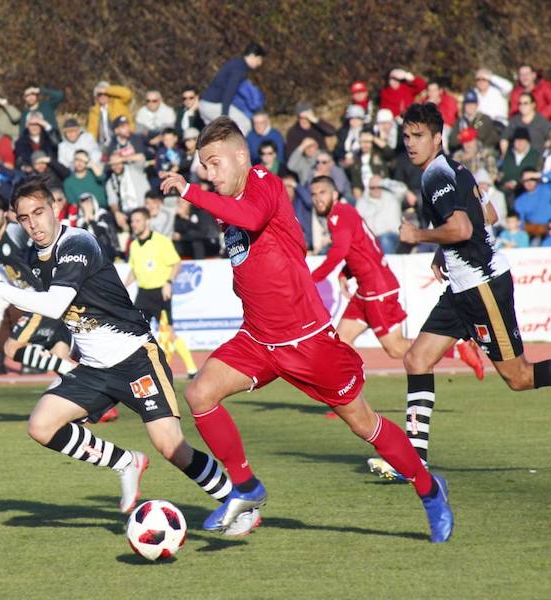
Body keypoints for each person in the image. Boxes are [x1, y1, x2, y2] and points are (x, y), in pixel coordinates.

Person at [159, 116, 453, 543]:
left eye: (215, 163)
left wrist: (191, 191)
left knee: (363, 424)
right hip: (259, 338)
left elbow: (255, 216)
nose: (208, 173)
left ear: (242, 157)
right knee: (200, 393)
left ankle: (429, 492)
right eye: (203, 166)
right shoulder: (228, 199)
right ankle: (245, 486)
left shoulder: (264, 183)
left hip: (307, 342)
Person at [0, 179, 259, 536]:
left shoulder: (77, 243)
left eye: (40, 213)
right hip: (94, 367)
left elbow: (57, 304)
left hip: (135, 356)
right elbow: (48, 304)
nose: (34, 224)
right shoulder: (33, 256)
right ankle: (126, 463)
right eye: (25, 218)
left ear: (56, 208)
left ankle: (237, 501)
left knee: (171, 446)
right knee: (41, 426)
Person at [373, 103, 550, 481]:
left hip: (483, 286)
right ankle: (413, 461)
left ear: (438, 138)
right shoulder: (456, 169)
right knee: (416, 359)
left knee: (519, 378)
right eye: (406, 136)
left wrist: (420, 236)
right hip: (462, 287)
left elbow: (464, 229)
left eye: (418, 136)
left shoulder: (436, 177)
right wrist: (444, 249)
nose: (410, 143)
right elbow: (488, 216)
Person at [309, 175, 483, 378]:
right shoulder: (343, 213)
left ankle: (458, 349)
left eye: (322, 192)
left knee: (396, 349)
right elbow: (362, 248)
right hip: (367, 289)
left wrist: (311, 279)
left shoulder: (339, 215)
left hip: (377, 289)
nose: (317, 198)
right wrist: (345, 272)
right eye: (313, 194)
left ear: (335, 194)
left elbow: (339, 250)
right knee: (340, 342)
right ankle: (346, 401)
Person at [0, 189, 78, 377]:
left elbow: (47, 238)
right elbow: (8, 281)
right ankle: (87, 388)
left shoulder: (15, 231)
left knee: (12, 347)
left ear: (5, 212)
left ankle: (76, 372)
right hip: (37, 304)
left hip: (41, 301)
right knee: (62, 364)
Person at [125, 207, 198, 377]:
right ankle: (139, 370)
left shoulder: (161, 241)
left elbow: (176, 263)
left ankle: (192, 369)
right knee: (137, 332)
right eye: (132, 221)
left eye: (137, 221)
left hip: (160, 294)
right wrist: (123, 285)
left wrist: (169, 282)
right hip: (142, 295)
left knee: (169, 333)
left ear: (147, 221)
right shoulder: (134, 245)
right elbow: (135, 270)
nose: (134, 224)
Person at [198, 41, 265, 135]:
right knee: (244, 123)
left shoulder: (236, 63)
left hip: (204, 104)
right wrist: (224, 115)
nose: (260, 63)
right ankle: (236, 149)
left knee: (214, 136)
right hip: (213, 105)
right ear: (253, 56)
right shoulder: (240, 68)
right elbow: (229, 91)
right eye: (259, 59)